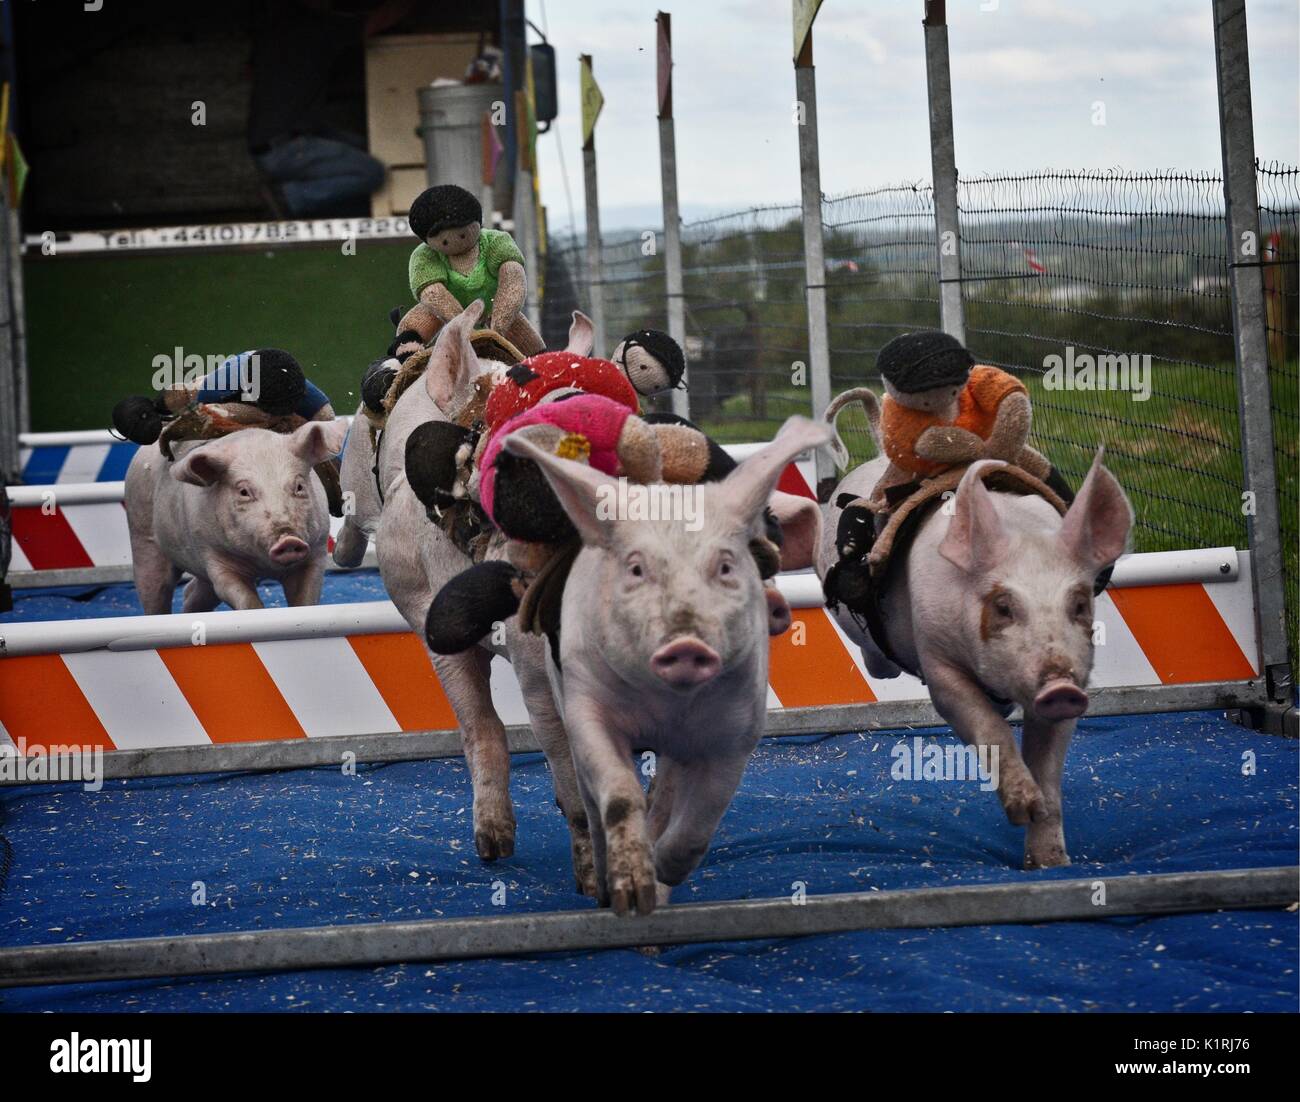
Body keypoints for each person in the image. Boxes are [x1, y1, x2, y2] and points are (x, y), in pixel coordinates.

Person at [247, 1, 411, 218]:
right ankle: (288, 198)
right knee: (372, 173)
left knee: (369, 147)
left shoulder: (276, 28)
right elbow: (377, 22)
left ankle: (309, 204)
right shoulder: (315, 25)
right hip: (288, 147)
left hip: (279, 143)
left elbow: (248, 71)